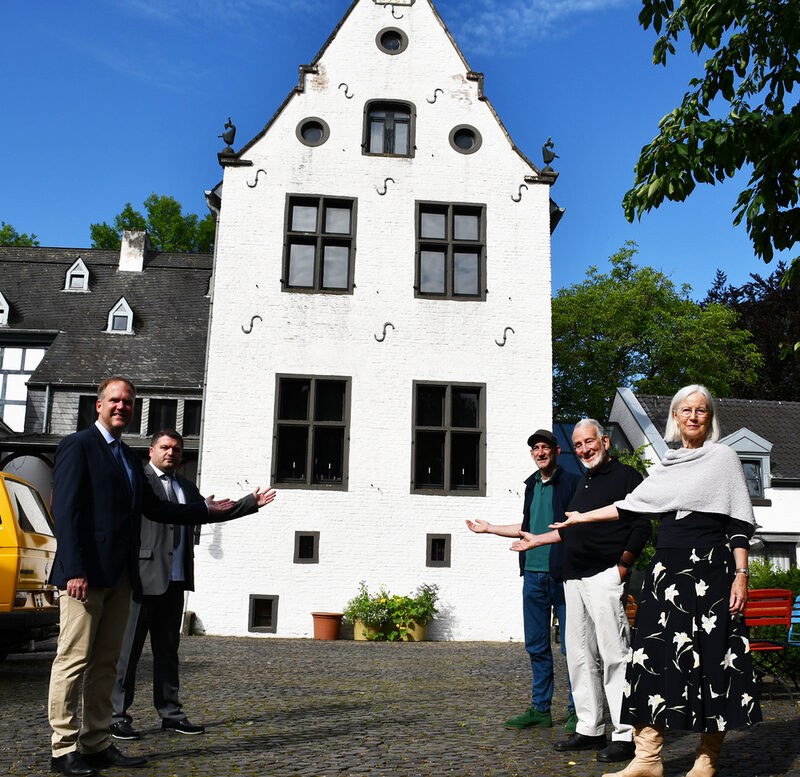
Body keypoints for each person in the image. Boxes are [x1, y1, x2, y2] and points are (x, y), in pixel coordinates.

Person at [47, 377, 271, 777]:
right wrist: (75, 568)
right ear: (98, 405)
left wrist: (211, 510)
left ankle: (96, 742)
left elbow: (157, 508)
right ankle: (63, 749)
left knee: (105, 663)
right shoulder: (77, 446)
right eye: (115, 401)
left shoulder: (129, 459)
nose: (122, 407)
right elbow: (65, 511)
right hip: (84, 576)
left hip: (121, 578)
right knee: (73, 660)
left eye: (129, 402)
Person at [553, 386, 761, 777]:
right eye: (687, 410)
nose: (694, 416)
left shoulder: (724, 458)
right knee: (651, 662)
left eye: (701, 410)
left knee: (711, 663)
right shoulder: (667, 463)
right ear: (676, 417)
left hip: (710, 573)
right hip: (665, 574)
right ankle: (647, 759)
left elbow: (738, 523)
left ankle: (706, 758)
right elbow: (630, 506)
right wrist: (581, 517)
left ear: (709, 417)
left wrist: (741, 575)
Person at [110, 429, 276, 740]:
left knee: (168, 652)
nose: (170, 453)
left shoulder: (186, 485)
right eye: (164, 447)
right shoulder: (139, 480)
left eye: (175, 449)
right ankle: (117, 717)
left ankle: (171, 714)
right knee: (128, 652)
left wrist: (247, 504)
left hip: (176, 580)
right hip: (142, 580)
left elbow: (210, 514)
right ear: (151, 450)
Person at [511, 419, 650, 763]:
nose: (585, 449)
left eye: (589, 442)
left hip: (604, 574)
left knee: (614, 654)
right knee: (578, 654)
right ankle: (589, 728)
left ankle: (625, 733)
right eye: (579, 445)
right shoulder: (583, 482)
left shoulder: (627, 477)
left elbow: (642, 523)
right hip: (572, 577)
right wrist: (538, 539)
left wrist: (622, 567)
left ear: (603, 441)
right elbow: (568, 530)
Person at [466, 430, 580, 732]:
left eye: (545, 448)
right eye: (535, 449)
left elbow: (574, 528)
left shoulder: (570, 482)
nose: (540, 453)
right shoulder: (531, 485)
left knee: (572, 647)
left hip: (562, 574)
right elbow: (527, 528)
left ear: (556, 451)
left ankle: (578, 711)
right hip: (532, 574)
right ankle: (540, 710)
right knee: (537, 645)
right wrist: (490, 528)